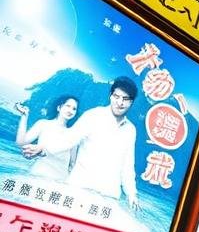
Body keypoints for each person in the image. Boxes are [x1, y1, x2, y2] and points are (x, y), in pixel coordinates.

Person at [24, 77, 139, 213]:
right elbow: (68, 140)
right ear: (110, 96)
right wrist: (42, 149)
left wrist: (132, 194)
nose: (119, 102)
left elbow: (127, 166)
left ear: (131, 102)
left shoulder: (130, 130)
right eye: (116, 96)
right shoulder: (93, 116)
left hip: (109, 196)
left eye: (125, 99)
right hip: (79, 190)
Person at [14, 94, 79, 179]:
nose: (70, 110)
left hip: (59, 180)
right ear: (59, 108)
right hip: (37, 174)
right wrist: (24, 116)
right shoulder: (43, 124)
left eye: (74, 109)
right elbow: (20, 143)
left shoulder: (74, 134)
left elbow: (72, 164)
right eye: (68, 106)